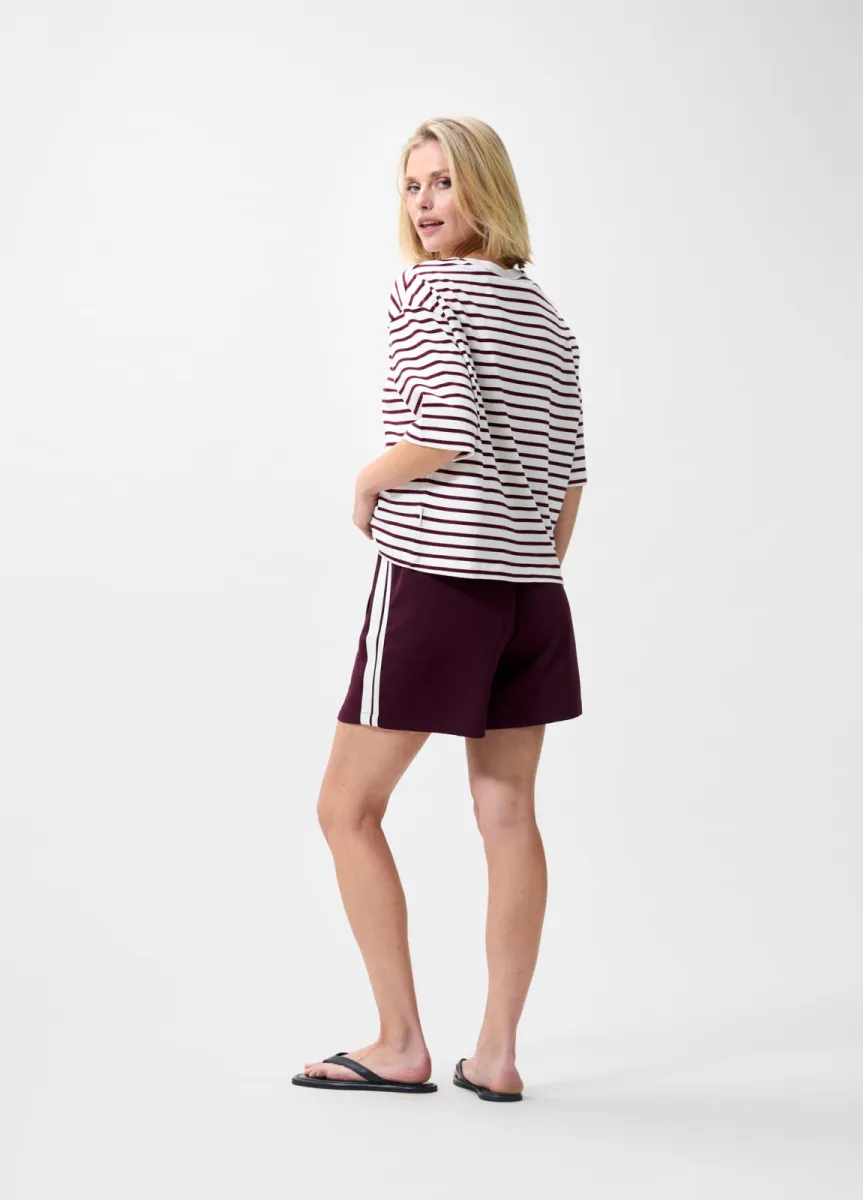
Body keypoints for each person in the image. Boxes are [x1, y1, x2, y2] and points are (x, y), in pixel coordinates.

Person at [292, 116, 587, 1103]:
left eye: (444, 183)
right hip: (532, 593)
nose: (424, 204)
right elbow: (570, 479)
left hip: (438, 580)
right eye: (413, 185)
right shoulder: (548, 316)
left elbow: (447, 429)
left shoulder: (426, 290)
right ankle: (496, 1056)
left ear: (485, 191)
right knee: (508, 814)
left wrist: (369, 480)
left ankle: (400, 1042)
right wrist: (521, 564)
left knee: (345, 807)